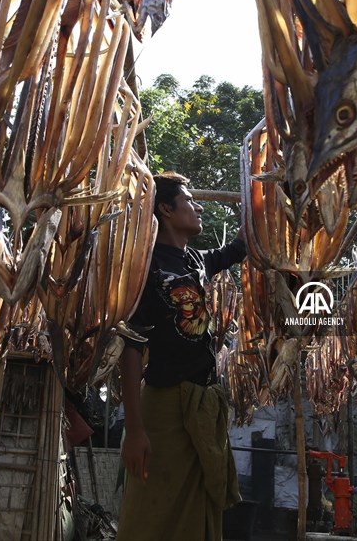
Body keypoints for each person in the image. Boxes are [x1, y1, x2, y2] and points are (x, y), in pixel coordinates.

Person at [116, 172, 246, 541]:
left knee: (198, 511)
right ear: (166, 210)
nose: (198, 205)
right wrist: (135, 430)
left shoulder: (197, 262)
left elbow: (240, 245)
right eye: (189, 201)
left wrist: (272, 189)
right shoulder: (147, 267)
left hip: (203, 404)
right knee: (151, 512)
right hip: (164, 410)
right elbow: (131, 348)